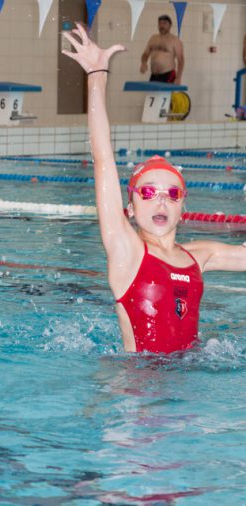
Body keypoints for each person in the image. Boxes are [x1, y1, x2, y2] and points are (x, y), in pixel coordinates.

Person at [62, 24, 246, 354]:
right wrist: (97, 75)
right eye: (148, 193)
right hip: (138, 391)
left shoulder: (198, 257)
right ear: (130, 209)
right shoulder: (127, 251)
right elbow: (103, 158)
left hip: (189, 387)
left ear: (183, 209)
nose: (160, 201)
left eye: (171, 194)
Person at [140, 14, 184, 84]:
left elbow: (181, 60)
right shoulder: (153, 38)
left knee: (165, 95)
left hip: (168, 74)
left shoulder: (175, 40)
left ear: (170, 25)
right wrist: (143, 63)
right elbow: (145, 54)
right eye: (160, 23)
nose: (162, 26)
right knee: (152, 95)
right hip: (154, 75)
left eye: (164, 23)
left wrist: (178, 77)